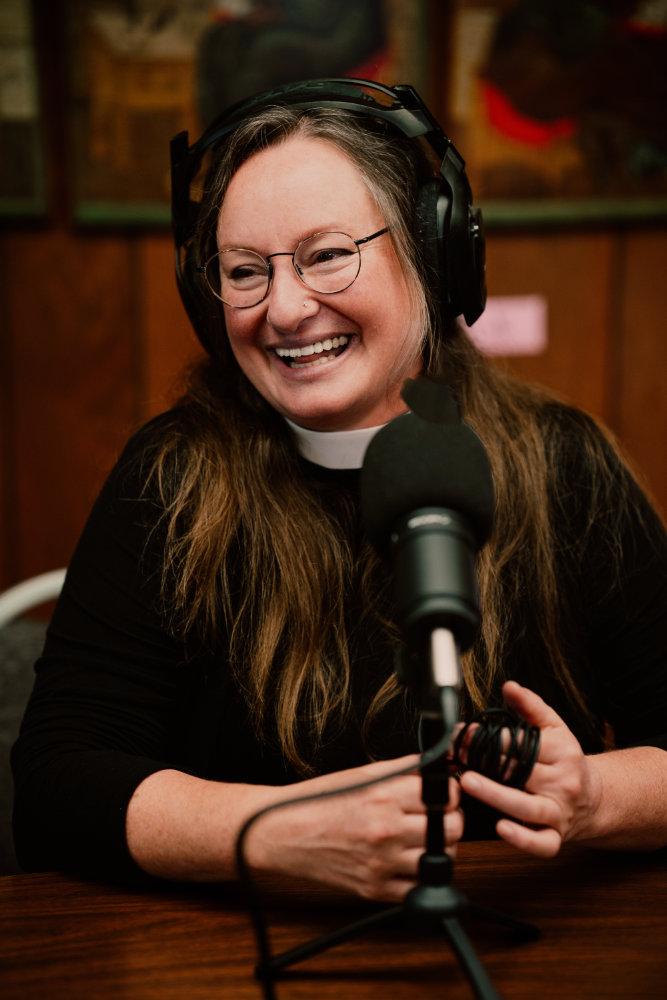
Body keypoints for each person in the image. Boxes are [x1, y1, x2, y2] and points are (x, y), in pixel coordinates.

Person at [11, 80, 667, 900]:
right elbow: (55, 783)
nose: (284, 308)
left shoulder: (561, 462)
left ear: (432, 253)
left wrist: (595, 798)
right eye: (244, 271)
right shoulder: (170, 478)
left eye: (327, 254)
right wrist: (264, 834)